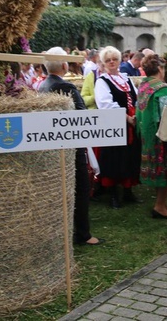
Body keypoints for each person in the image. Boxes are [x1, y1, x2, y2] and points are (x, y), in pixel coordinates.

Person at [39, 47, 102, 246]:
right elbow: (82, 117)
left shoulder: (42, 85)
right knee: (81, 190)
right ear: (65, 65)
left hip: (53, 146)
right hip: (71, 147)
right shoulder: (66, 87)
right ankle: (83, 234)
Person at [95, 46, 141, 209]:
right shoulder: (102, 81)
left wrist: (136, 115)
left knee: (129, 156)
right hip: (114, 124)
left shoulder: (126, 79)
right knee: (114, 158)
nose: (112, 62)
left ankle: (128, 192)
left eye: (114, 59)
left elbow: (136, 98)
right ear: (103, 63)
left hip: (131, 123)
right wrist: (126, 117)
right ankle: (114, 195)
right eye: (108, 60)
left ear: (120, 60)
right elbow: (106, 104)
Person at [136, 54, 167, 219]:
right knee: (165, 170)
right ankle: (159, 206)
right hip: (162, 135)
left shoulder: (144, 86)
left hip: (147, 134)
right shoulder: (163, 89)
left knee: (158, 170)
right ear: (160, 69)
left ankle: (163, 202)